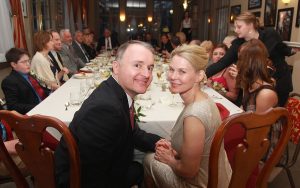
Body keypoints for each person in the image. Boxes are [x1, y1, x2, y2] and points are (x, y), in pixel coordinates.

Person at [55, 40, 161, 188]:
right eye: (137, 65)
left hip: (99, 169)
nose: (147, 74)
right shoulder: (106, 109)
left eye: (150, 68)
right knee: (141, 168)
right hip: (79, 180)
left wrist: (161, 143)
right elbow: (93, 175)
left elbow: (131, 131)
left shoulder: (116, 91)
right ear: (116, 67)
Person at [143, 44, 232, 188]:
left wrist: (169, 159)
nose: (172, 77)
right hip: (216, 177)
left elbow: (189, 172)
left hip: (200, 184)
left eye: (182, 71)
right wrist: (174, 148)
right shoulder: (205, 98)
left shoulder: (193, 116)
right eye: (171, 69)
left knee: (147, 159)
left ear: (199, 75)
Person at [206, 11, 298, 107]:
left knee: (272, 116)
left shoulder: (270, 34)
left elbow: (283, 49)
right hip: (251, 83)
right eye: (235, 27)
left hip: (278, 82)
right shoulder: (237, 43)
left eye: (239, 27)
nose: (236, 30)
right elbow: (222, 63)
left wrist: (292, 51)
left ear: (250, 25)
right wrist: (202, 74)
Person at [237, 39, 281, 160]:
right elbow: (243, 109)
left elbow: (259, 133)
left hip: (263, 147)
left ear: (250, 63)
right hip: (250, 133)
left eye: (240, 60)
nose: (237, 64)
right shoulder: (249, 84)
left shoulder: (265, 93)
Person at [2, 48, 50, 115]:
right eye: (24, 62)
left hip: (46, 105)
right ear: (13, 64)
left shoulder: (30, 73)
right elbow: (13, 106)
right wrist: (38, 107)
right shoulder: (9, 81)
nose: (28, 64)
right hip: (33, 114)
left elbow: (40, 90)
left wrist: (50, 93)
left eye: (28, 61)